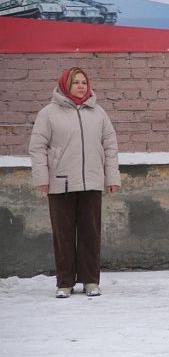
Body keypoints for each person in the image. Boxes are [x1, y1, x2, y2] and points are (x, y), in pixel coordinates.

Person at [29, 67, 120, 299]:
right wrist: (42, 178)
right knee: (63, 235)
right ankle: (65, 282)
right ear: (65, 85)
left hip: (92, 182)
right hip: (61, 183)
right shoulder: (48, 113)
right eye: (76, 82)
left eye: (84, 82)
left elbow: (110, 146)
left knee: (91, 234)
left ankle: (90, 280)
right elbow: (37, 147)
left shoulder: (98, 113)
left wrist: (112, 177)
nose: (81, 86)